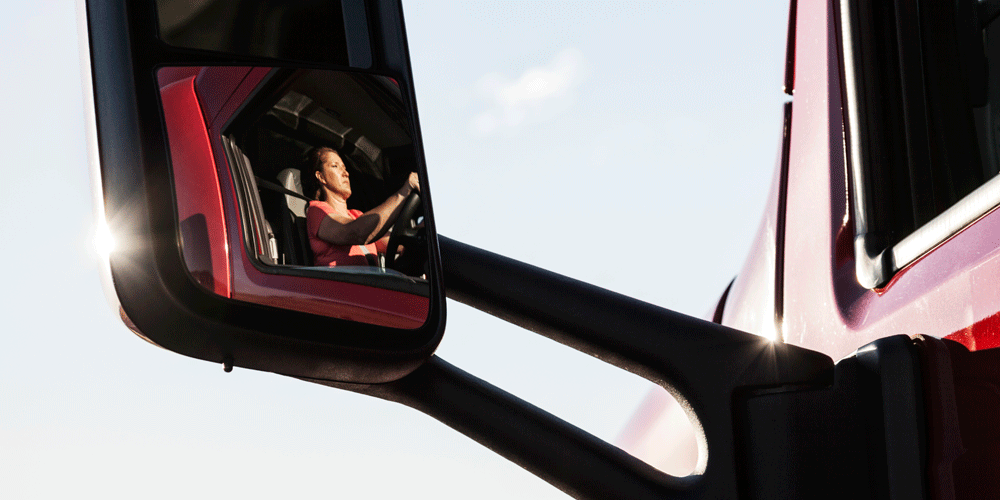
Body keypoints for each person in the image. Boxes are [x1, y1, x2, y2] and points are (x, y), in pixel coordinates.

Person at [304, 146, 419, 267]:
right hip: (342, 284)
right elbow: (356, 233)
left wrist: (423, 230)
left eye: (345, 168)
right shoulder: (317, 210)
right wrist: (404, 192)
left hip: (370, 282)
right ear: (321, 176)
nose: (346, 173)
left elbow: (397, 242)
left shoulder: (356, 215)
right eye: (335, 166)